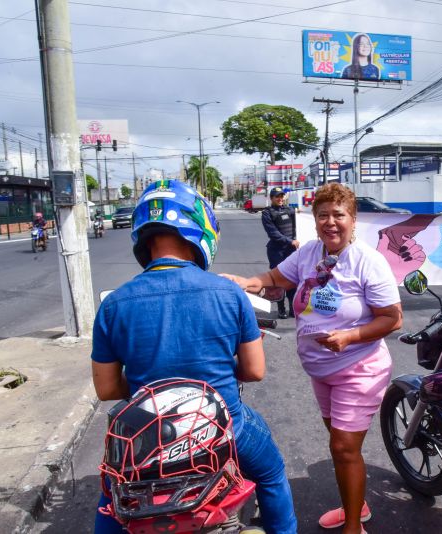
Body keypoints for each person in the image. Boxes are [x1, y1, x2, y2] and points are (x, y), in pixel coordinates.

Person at [90, 180, 297, 534]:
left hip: (149, 437)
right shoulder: (228, 293)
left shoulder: (114, 305)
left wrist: (156, 382)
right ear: (199, 229)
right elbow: (254, 370)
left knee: (112, 499)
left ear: (143, 237)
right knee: (271, 473)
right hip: (225, 426)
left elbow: (108, 389)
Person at [223, 183, 402, 534]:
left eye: (339, 215)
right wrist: (248, 282)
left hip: (358, 367)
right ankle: (357, 504)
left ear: (353, 219)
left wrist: (350, 336)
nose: (330, 222)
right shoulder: (309, 253)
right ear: (314, 220)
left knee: (343, 446)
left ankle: (354, 527)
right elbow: (276, 277)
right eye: (323, 215)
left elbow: (392, 318)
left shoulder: (368, 261)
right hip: (322, 370)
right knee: (340, 447)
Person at [262, 187, 299, 318]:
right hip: (276, 251)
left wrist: (301, 213)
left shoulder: (291, 210)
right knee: (278, 279)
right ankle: (281, 308)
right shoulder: (267, 213)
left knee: (293, 278)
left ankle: (293, 308)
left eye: (282, 196)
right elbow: (273, 233)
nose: (280, 199)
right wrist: (289, 241)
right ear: (271, 198)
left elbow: (299, 225)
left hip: (291, 250)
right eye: (277, 196)